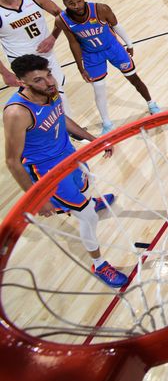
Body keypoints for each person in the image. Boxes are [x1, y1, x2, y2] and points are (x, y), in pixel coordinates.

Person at [3, 54, 127, 288]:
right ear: (22, 83)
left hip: (69, 154)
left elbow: (63, 119)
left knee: (87, 186)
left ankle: (85, 203)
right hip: (47, 172)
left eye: (48, 74)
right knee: (87, 216)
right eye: (39, 80)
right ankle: (99, 264)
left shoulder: (50, 92)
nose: (49, 82)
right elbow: (12, 161)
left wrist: (94, 140)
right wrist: (36, 199)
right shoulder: (17, 113)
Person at [55, 0, 161, 134]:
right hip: (91, 55)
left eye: (79, 0)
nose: (77, 5)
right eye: (71, 3)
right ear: (65, 4)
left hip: (113, 48)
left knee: (134, 78)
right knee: (99, 90)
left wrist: (129, 43)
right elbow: (73, 43)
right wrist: (81, 68)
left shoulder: (100, 9)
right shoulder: (62, 20)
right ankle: (107, 123)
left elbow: (116, 26)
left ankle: (151, 104)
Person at [0, 0, 70, 114]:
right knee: (48, 97)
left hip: (46, 56)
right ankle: (69, 132)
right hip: (23, 63)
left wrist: (53, 37)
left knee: (57, 92)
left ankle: (68, 130)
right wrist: (5, 73)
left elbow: (61, 15)